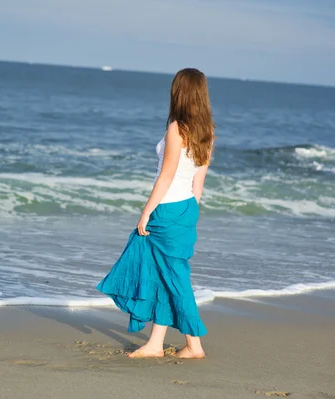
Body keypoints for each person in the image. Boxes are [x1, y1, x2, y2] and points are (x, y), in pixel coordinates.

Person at [96, 68, 215, 359]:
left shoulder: (177, 128)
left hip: (168, 208)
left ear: (180, 92)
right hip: (187, 206)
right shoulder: (207, 131)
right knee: (164, 275)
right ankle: (154, 343)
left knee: (175, 278)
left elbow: (166, 175)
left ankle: (194, 345)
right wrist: (189, 210)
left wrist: (146, 212)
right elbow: (198, 179)